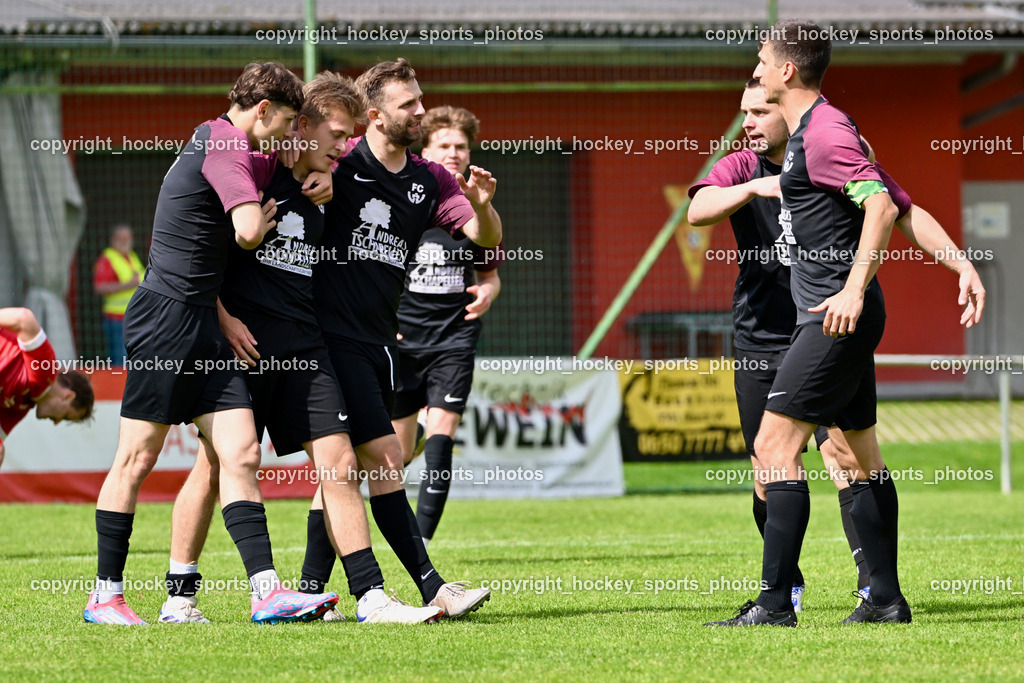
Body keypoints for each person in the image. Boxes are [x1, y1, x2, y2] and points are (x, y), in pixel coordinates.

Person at [689, 80, 985, 614]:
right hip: (765, 336)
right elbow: (698, 209)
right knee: (771, 463)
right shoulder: (743, 164)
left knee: (835, 454)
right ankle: (814, 588)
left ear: (785, 104)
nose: (749, 123)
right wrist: (756, 189)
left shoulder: (829, 144)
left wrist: (959, 261)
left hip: (828, 324)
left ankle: (831, 592)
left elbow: (896, 206)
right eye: (744, 114)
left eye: (759, 111)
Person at [160, 71, 444, 625]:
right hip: (241, 349)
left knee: (337, 463)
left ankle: (372, 598)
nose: (345, 146)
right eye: (336, 134)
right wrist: (222, 317)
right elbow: (203, 254)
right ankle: (179, 593)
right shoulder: (255, 172)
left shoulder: (331, 189)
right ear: (301, 126)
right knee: (216, 465)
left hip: (305, 348)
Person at [85, 62, 340, 626]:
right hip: (165, 318)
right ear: (263, 111)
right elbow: (249, 230)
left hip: (202, 320)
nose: (290, 135)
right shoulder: (226, 142)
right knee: (137, 457)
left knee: (241, 452)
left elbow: (287, 169)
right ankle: (105, 596)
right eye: (290, 122)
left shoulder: (234, 143)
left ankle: (265, 591)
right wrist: (264, 220)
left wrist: (319, 176)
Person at [706, 20, 917, 627]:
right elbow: (901, 203)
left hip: (830, 319)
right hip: (821, 318)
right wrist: (961, 265)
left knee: (775, 449)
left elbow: (882, 205)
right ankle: (884, 598)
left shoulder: (823, 133)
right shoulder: (811, 134)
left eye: (762, 63)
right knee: (857, 458)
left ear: (786, 72)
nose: (757, 72)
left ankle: (776, 603)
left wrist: (852, 288)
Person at [298, 59, 501, 618]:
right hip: (322, 341)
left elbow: (484, 239)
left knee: (363, 464)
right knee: (376, 459)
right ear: (374, 113)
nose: (420, 110)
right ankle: (409, 589)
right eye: (408, 103)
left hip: (373, 342)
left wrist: (482, 207)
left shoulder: (429, 180)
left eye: (419, 100)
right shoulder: (340, 161)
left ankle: (312, 592)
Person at [391, 105, 503, 548]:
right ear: (426, 147)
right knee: (395, 455)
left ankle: (420, 547)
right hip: (400, 340)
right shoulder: (404, 198)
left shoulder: (474, 206)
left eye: (461, 146)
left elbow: (489, 270)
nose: (453, 153)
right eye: (444, 145)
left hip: (453, 338)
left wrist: (490, 289)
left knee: (443, 433)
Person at [0, 307, 94, 470]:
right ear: (68, 397)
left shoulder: (21, 405)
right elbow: (24, 318)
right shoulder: (45, 374)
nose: (57, 423)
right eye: (65, 416)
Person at [93, 225, 145, 367]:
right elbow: (100, 287)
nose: (124, 241)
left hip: (133, 318)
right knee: (119, 362)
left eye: (127, 237)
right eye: (120, 238)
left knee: (131, 361)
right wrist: (128, 284)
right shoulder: (107, 259)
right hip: (116, 319)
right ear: (112, 240)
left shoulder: (131, 256)